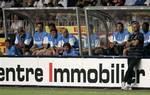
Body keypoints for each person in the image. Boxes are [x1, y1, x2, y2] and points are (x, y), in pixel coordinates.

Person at [122, 21, 144, 90]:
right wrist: (131, 43)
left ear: (138, 27)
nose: (134, 28)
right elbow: (127, 44)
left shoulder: (140, 35)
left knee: (130, 68)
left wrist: (130, 43)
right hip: (130, 54)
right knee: (130, 69)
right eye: (133, 27)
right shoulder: (131, 35)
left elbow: (135, 44)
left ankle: (123, 81)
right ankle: (129, 84)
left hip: (137, 54)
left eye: (136, 27)